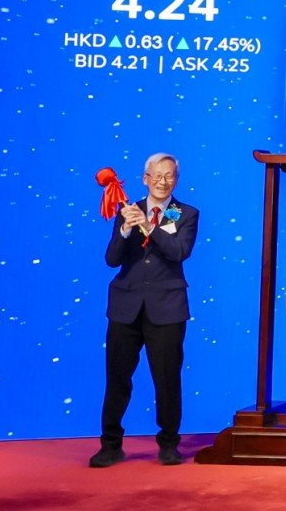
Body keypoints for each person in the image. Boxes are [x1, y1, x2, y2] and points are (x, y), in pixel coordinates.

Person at [89, 153, 199, 468]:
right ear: (145, 178)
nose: (163, 182)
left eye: (169, 176)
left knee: (167, 379)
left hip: (167, 308)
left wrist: (150, 226)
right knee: (117, 378)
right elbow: (112, 259)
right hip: (125, 307)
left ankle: (169, 444)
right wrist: (126, 228)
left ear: (176, 180)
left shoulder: (184, 213)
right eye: (157, 175)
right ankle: (110, 445)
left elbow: (178, 252)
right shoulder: (128, 210)